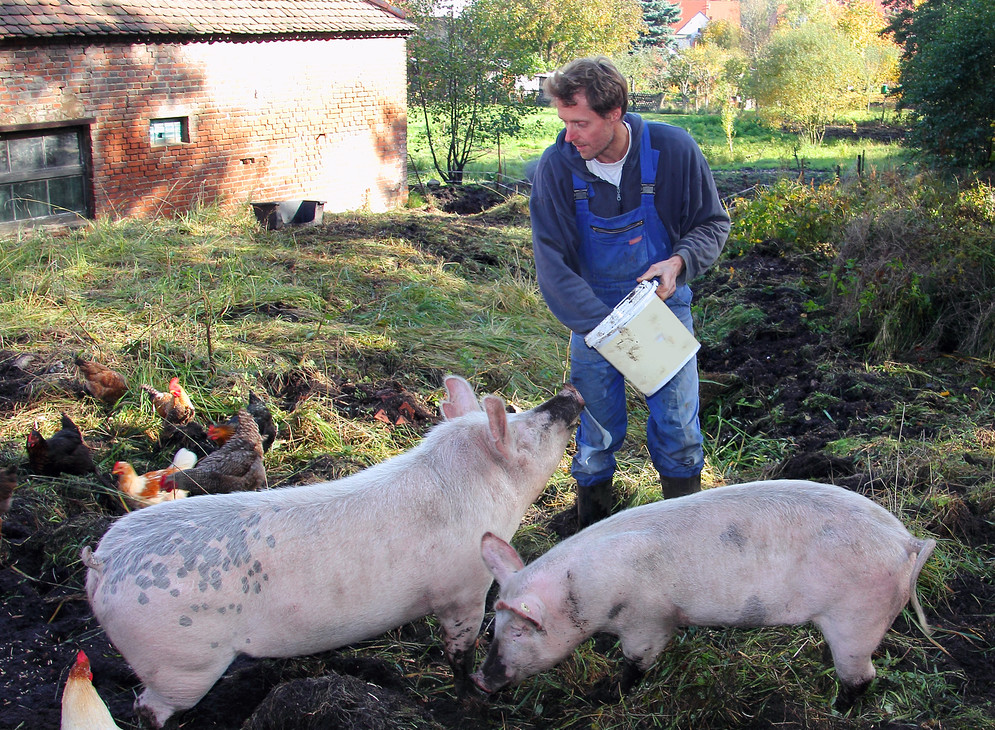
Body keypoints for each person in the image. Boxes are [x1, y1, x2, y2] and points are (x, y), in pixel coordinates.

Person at [530, 56, 730, 528]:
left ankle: (681, 528)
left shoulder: (672, 150)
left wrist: (678, 262)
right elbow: (552, 263)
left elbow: (712, 223)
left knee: (679, 426)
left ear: (615, 112)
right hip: (592, 315)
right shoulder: (558, 166)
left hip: (662, 306)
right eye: (564, 121)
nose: (569, 135)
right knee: (596, 433)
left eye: (580, 123)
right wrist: (605, 329)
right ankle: (593, 524)